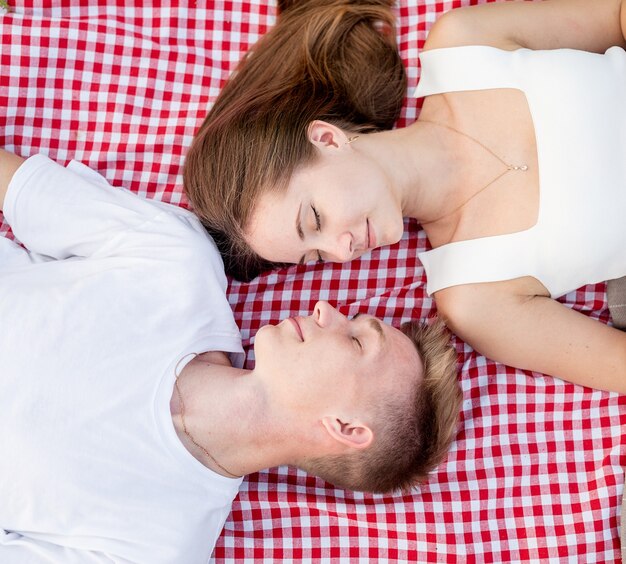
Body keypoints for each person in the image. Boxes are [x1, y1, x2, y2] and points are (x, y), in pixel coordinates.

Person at [0, 149, 461, 563]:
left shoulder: (155, 547)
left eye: (357, 340)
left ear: (345, 428)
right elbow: (21, 190)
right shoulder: (179, 262)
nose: (326, 309)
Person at [183, 0, 626, 394]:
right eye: (315, 257)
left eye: (315, 219)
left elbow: (615, 16)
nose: (342, 249)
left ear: (327, 138)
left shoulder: (464, 46)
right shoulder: (474, 295)